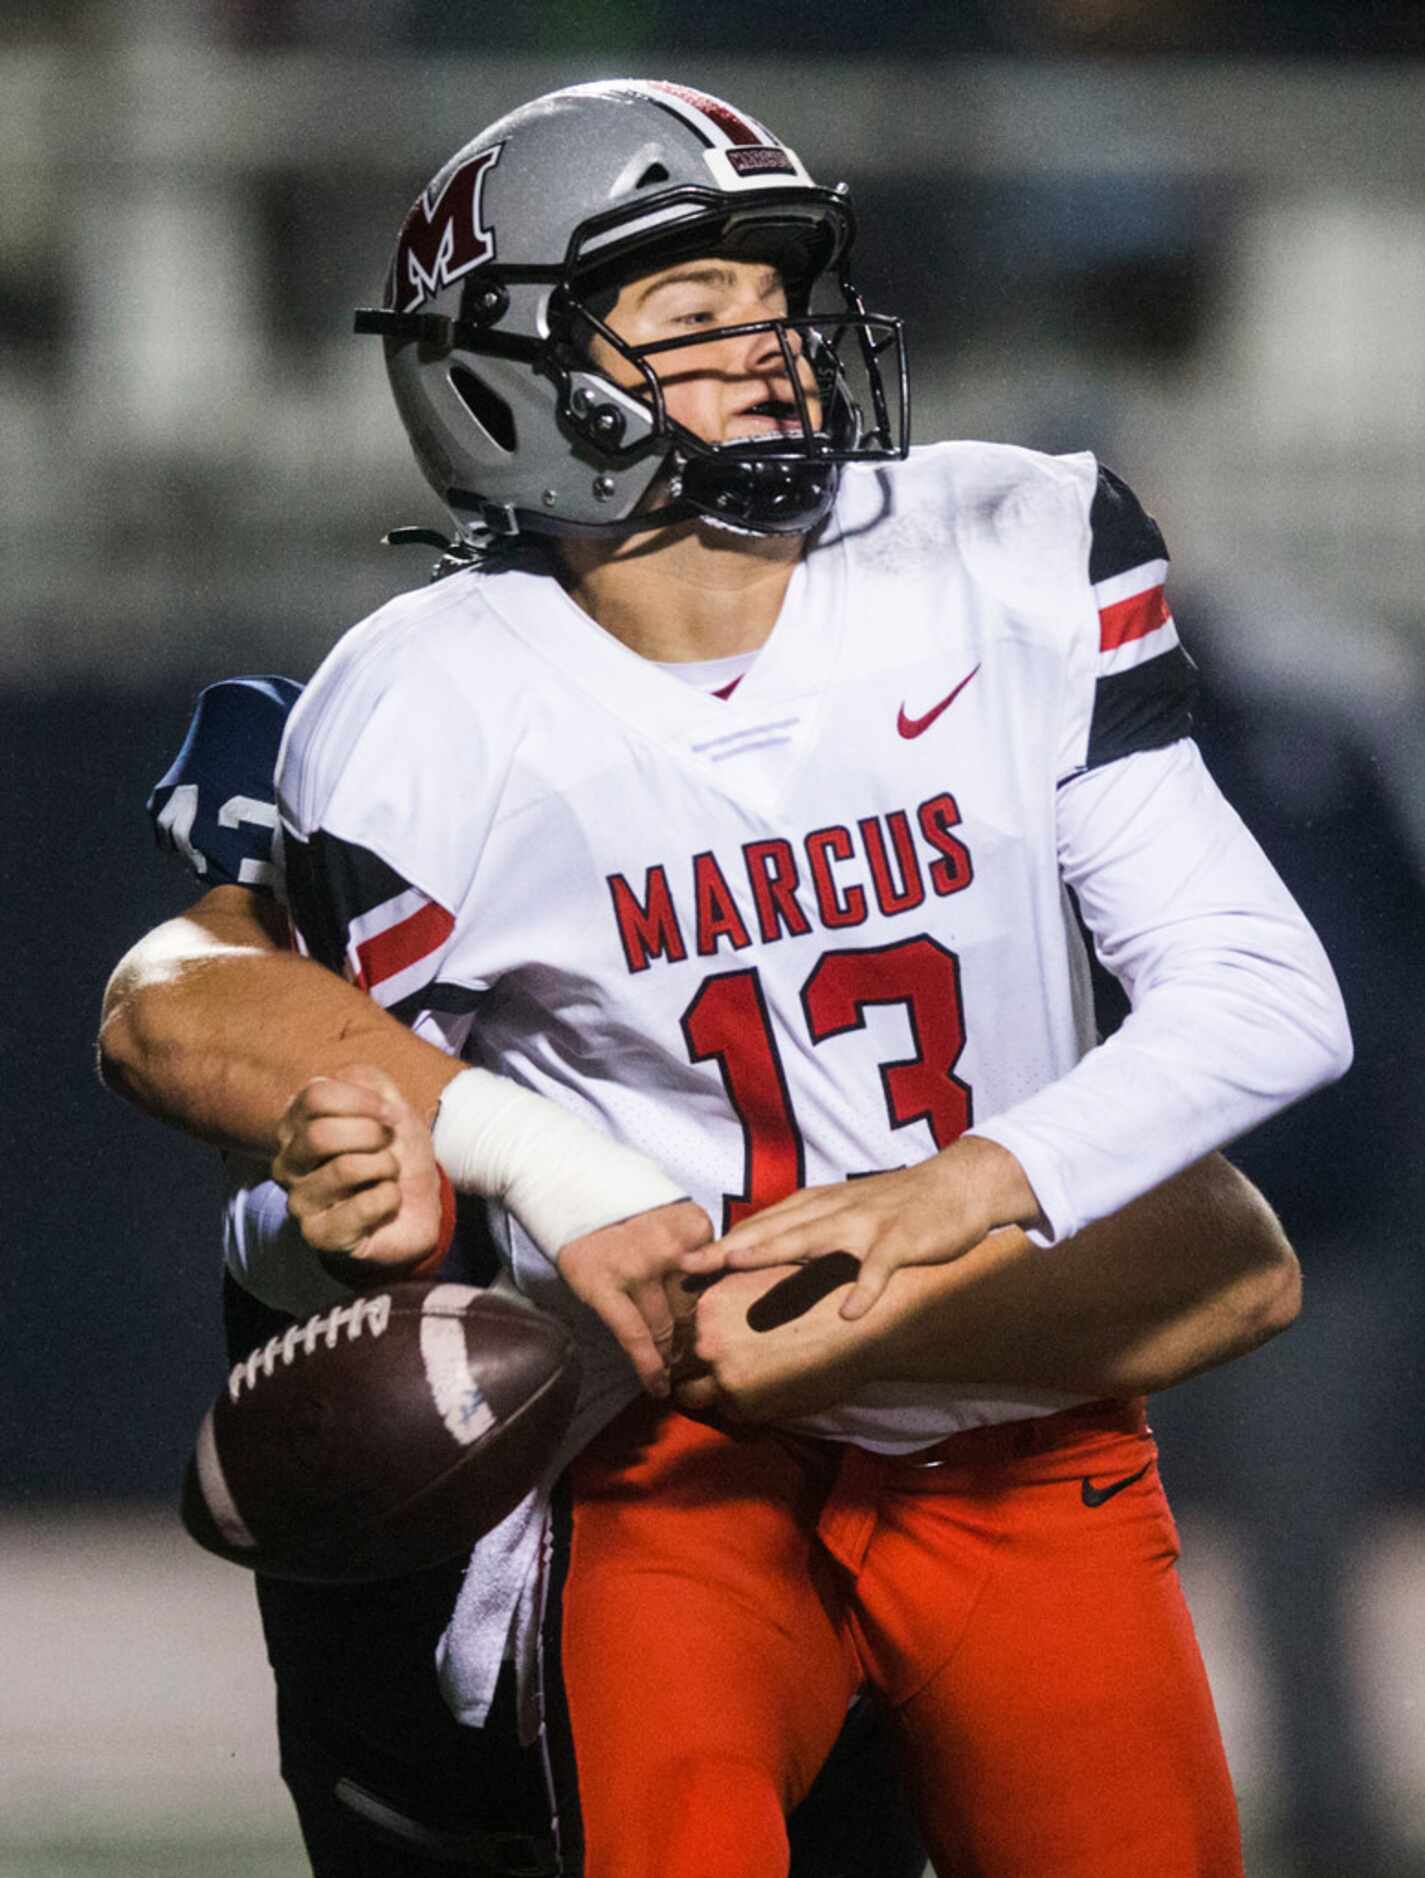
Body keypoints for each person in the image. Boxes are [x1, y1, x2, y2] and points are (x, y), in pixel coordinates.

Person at [100, 77, 1351, 1878]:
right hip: (667, 1468)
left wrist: (954, 1195)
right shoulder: (427, 706)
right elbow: (317, 1113)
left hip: (1018, 1426)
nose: (769, 353)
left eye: (775, 305)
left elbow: (1263, 994)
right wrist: (337, 1212)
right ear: (508, 378)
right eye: (692, 320)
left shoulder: (1000, 548)